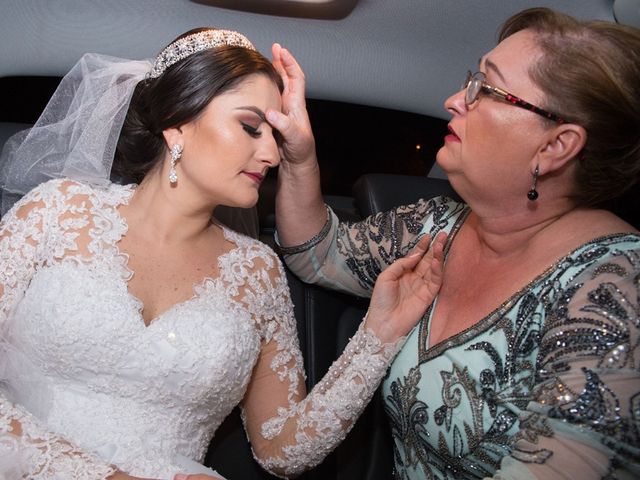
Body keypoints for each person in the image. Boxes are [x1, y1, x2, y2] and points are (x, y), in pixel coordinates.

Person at [0, 27, 447, 480]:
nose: (272, 153)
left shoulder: (258, 270)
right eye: (251, 127)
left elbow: (281, 451)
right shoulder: (55, 211)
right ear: (178, 123)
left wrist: (379, 336)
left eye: (273, 135)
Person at [271, 7, 640, 479]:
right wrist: (299, 158)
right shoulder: (440, 223)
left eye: (486, 89)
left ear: (555, 146)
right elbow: (319, 254)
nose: (454, 100)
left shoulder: (615, 290)